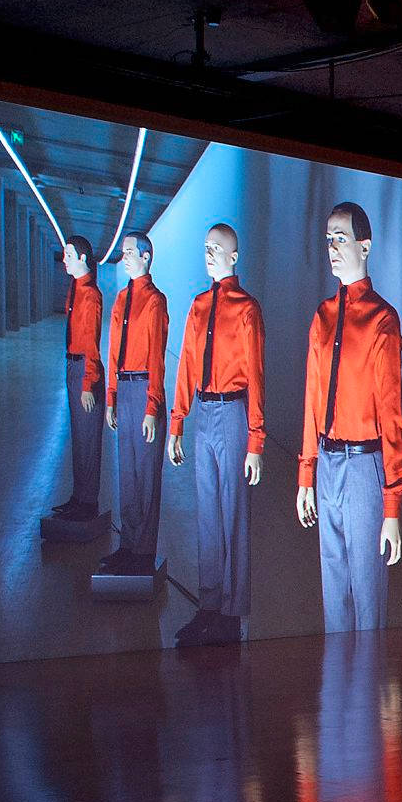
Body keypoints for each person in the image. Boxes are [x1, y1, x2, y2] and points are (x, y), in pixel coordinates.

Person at [296, 202, 402, 632]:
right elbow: (312, 399)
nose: (332, 248)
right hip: (327, 465)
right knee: (333, 590)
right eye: (328, 239)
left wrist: (391, 507)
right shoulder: (322, 316)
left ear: (365, 245)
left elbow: (392, 416)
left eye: (340, 238)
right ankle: (339, 675)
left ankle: (368, 673)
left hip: (364, 469)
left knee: (367, 593)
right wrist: (306, 475)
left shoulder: (382, 320)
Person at [167, 224, 266, 647]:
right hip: (204, 414)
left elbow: (256, 375)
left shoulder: (246, 309)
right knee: (207, 515)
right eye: (205, 246)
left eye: (216, 247)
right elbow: (187, 364)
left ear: (234, 256)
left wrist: (256, 440)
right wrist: (177, 421)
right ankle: (208, 606)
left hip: (232, 413)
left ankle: (231, 613)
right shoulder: (198, 305)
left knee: (233, 515)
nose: (209, 253)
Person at [101, 231, 169, 575]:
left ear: (146, 257)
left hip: (144, 389)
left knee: (145, 477)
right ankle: (127, 546)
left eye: (129, 252)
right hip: (125, 389)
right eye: (124, 252)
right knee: (127, 474)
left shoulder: (155, 301)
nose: (124, 257)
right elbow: (114, 350)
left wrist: (152, 407)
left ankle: (143, 551)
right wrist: (111, 396)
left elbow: (157, 357)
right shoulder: (121, 299)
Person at [52, 235, 104, 521]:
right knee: (78, 438)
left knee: (88, 439)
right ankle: (78, 497)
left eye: (69, 255)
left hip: (85, 368)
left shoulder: (91, 294)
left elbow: (92, 344)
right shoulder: (75, 288)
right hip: (73, 365)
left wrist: (88, 383)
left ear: (83, 258)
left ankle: (88, 502)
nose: (65, 260)